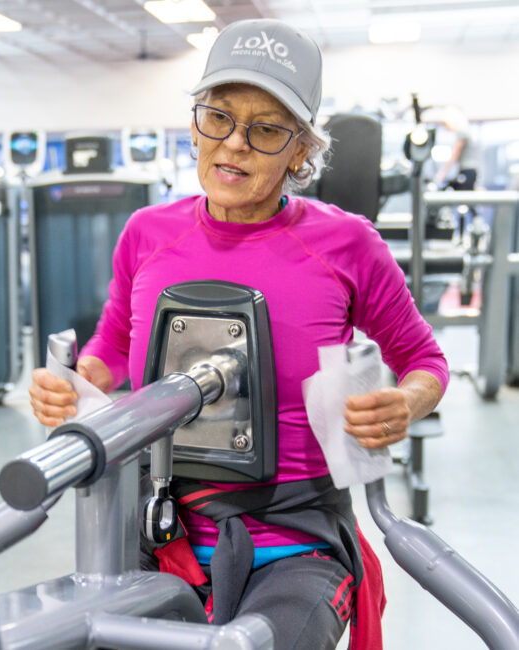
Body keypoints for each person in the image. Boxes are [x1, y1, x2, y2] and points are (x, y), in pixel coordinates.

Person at [29, 19, 449, 650]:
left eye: (267, 129)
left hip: (296, 540)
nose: (235, 144)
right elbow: (110, 350)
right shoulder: (147, 233)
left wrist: (405, 403)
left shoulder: (347, 243)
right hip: (160, 529)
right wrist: (73, 386)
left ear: (302, 151)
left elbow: (423, 359)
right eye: (218, 117)